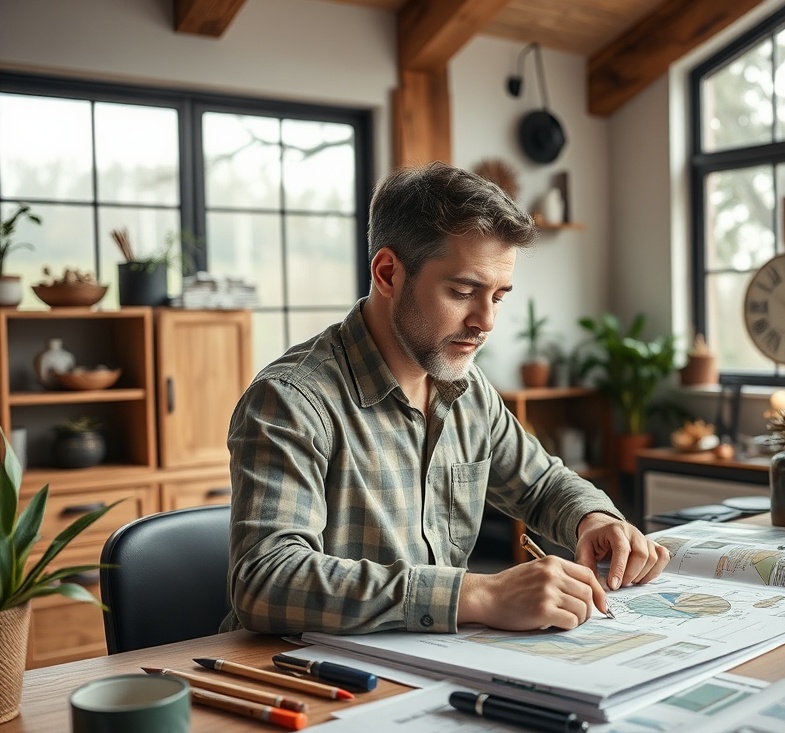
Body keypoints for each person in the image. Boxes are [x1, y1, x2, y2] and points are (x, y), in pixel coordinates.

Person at [223, 161, 668, 637]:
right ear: (389, 273)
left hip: (429, 665)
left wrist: (592, 518)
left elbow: (541, 486)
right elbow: (264, 580)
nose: (485, 322)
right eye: (463, 291)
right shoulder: (290, 401)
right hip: (304, 676)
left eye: (497, 297)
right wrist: (478, 594)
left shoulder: (468, 391)